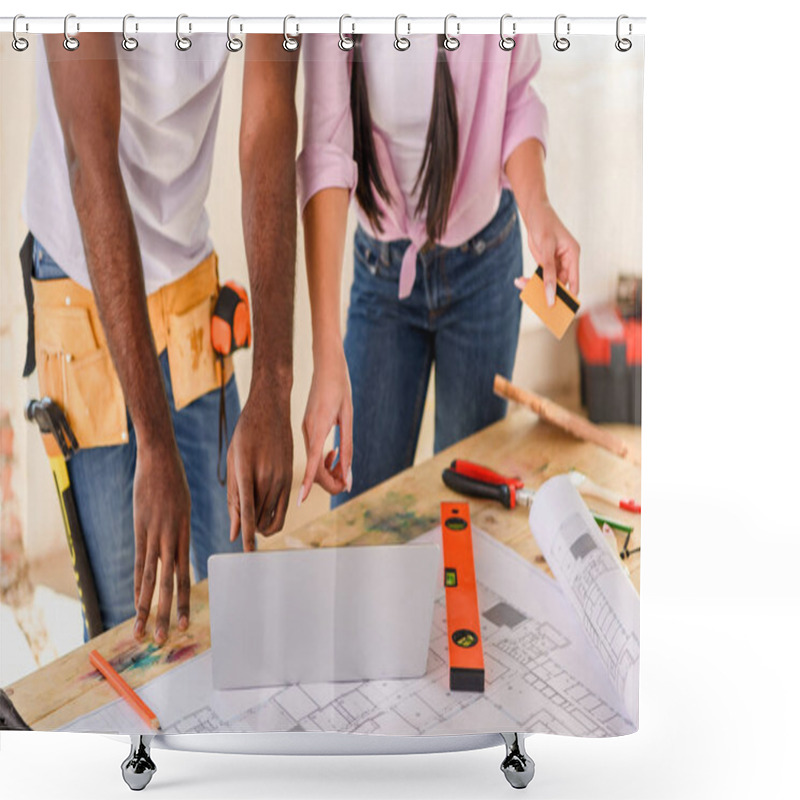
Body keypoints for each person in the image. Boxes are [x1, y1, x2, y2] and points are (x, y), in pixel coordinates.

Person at [21, 33, 298, 642]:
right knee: (134, 624)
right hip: (83, 279)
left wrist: (275, 383)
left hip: (186, 276)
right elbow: (90, 161)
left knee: (229, 596)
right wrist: (152, 437)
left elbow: (270, 120)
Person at [295, 34, 580, 507]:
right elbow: (326, 149)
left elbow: (516, 99)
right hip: (382, 273)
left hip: (485, 264)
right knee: (359, 507)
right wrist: (325, 349)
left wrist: (540, 209)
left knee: (466, 507)